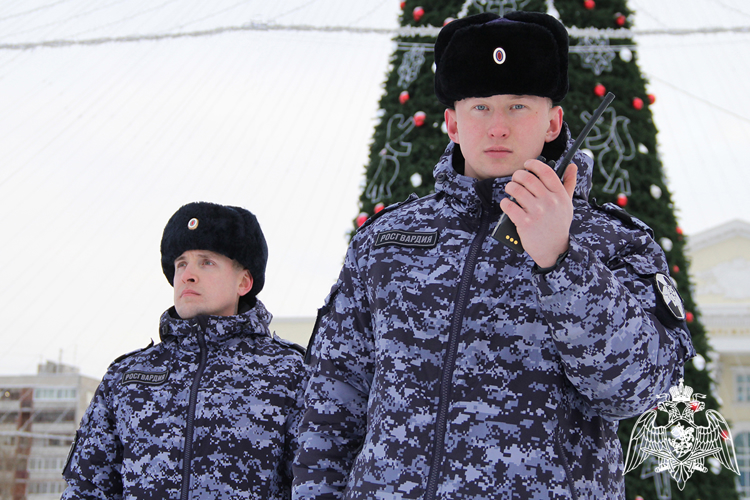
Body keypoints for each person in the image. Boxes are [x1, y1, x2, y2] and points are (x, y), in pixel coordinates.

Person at [293, 11, 694, 499]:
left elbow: (635, 389)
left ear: (553, 122)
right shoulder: (385, 241)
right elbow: (331, 400)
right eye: (480, 107)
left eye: (518, 106)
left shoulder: (613, 242)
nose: (498, 127)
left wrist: (563, 261)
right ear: (452, 123)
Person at [62, 202, 307, 500]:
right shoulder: (126, 378)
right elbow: (85, 489)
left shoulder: (291, 373)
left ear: (244, 282)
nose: (188, 275)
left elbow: (318, 482)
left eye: (206, 262)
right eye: (181, 263)